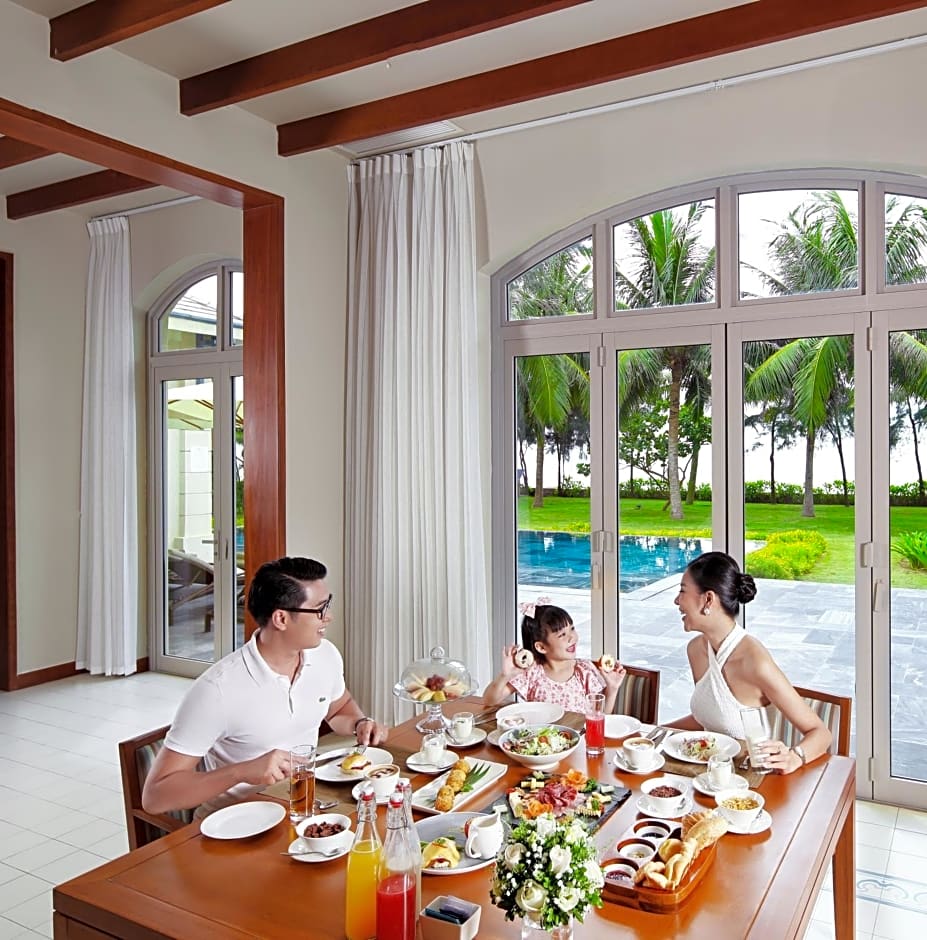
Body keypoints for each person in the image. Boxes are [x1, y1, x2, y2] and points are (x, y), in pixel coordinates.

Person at [142, 556, 389, 818]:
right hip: (236, 823)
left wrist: (359, 723)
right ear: (281, 618)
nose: (328, 617)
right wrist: (242, 771)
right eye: (320, 609)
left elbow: (339, 707)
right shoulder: (217, 690)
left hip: (302, 806)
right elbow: (156, 796)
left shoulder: (324, 655)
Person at [670, 551, 831, 774]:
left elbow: (821, 733)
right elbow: (709, 718)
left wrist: (795, 757)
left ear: (708, 599)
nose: (676, 600)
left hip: (755, 778)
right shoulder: (697, 650)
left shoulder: (755, 662)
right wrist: (650, 732)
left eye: (682, 591)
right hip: (709, 775)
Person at [482, 597, 626, 713]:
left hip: (578, 739)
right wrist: (505, 675)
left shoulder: (584, 670)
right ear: (541, 647)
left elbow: (600, 716)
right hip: (541, 739)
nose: (572, 637)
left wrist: (612, 689)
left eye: (572, 629)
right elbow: (489, 700)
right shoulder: (531, 673)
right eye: (562, 635)